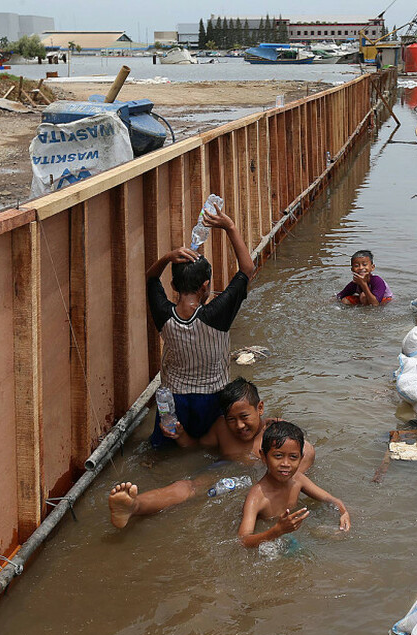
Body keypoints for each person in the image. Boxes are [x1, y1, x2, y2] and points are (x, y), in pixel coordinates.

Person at [108, 378, 314, 529]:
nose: (239, 425)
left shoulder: (275, 432)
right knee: (187, 486)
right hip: (223, 469)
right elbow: (196, 447)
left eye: (244, 416)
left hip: (259, 481)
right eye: (231, 419)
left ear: (260, 408)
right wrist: (180, 436)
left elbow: (307, 453)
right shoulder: (221, 428)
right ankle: (134, 506)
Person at [145, 200, 255, 449]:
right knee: (214, 450)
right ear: (205, 286)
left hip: (173, 401)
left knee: (166, 450)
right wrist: (230, 227)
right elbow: (247, 269)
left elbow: (151, 278)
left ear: (173, 286)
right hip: (213, 399)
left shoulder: (164, 314)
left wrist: (166, 257)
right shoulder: (217, 314)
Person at [238, 421, 350, 548]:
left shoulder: (297, 479)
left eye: (293, 457)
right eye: (278, 456)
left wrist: (344, 512)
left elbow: (330, 499)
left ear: (301, 458)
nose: (286, 463)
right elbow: (243, 540)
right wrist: (276, 531)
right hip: (272, 539)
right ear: (263, 456)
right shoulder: (257, 496)